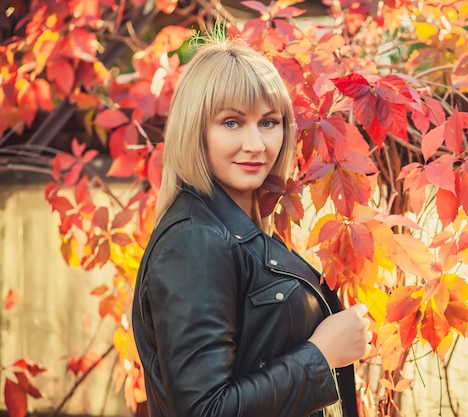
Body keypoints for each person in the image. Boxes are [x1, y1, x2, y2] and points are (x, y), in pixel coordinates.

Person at [131, 36, 372, 417]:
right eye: (232, 122)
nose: (256, 144)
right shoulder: (196, 241)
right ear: (196, 131)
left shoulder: (239, 229)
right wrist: (321, 355)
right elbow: (204, 410)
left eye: (269, 122)